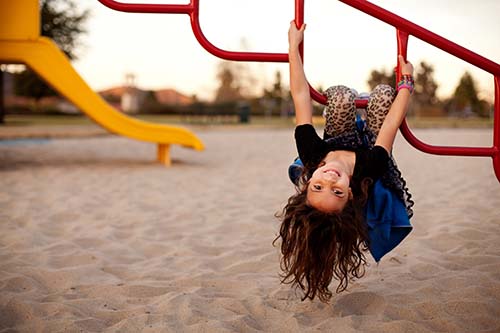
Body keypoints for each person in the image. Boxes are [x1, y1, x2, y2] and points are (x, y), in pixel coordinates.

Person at [274, 21, 415, 303]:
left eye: (318, 186)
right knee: (386, 95)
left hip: (340, 138)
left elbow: (301, 96)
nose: (330, 177)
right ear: (349, 193)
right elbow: (390, 125)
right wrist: (407, 83)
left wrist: (293, 46)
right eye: (336, 190)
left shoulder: (312, 155)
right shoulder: (369, 170)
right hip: (371, 147)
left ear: (307, 183)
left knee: (339, 97)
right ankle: (369, 102)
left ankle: (352, 101)